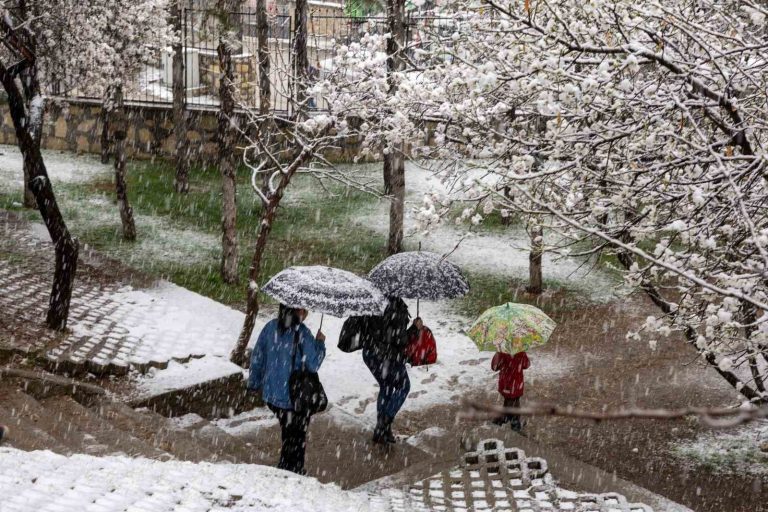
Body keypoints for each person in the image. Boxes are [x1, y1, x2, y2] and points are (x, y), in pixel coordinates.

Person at [248, 304, 326, 475]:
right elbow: (313, 365)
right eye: (303, 309)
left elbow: (257, 358)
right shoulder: (303, 333)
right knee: (297, 437)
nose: (306, 313)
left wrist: (254, 384)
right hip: (294, 397)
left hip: (273, 396)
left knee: (288, 431)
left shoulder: (270, 327)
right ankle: (292, 471)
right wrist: (319, 344)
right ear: (297, 311)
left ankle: (287, 467)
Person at [362, 297, 411, 445]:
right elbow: (399, 339)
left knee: (387, 386)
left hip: (371, 353)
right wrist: (415, 328)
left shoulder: (374, 300)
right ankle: (384, 424)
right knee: (404, 386)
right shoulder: (395, 306)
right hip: (387, 356)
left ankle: (383, 429)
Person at [491, 351, 530, 431]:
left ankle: (503, 418)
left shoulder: (501, 352)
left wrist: (498, 355)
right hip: (516, 384)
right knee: (514, 401)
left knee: (509, 400)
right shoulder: (520, 352)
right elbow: (526, 365)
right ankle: (514, 422)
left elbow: (494, 367)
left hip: (505, 383)